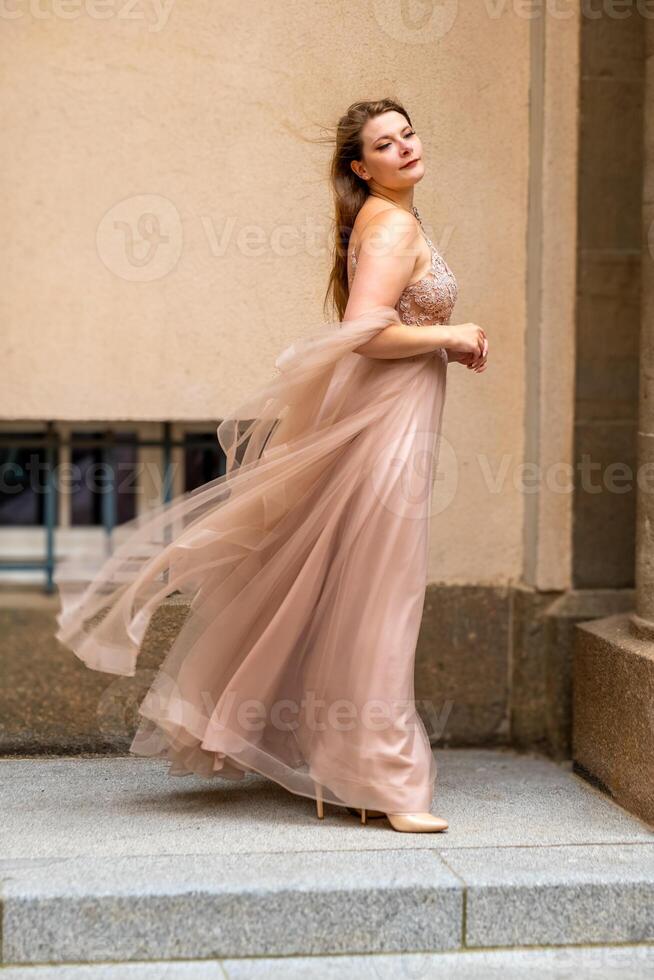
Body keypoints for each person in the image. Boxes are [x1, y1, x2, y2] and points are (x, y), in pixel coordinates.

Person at [54, 98, 488, 834]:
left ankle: (346, 766)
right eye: (386, 144)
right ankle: (384, 778)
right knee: (385, 594)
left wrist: (440, 341)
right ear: (362, 167)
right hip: (386, 431)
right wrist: (453, 332)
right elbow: (364, 333)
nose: (406, 147)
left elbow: (381, 328)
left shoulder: (389, 222)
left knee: (352, 588)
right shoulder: (391, 225)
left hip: (391, 420)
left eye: (408, 132)